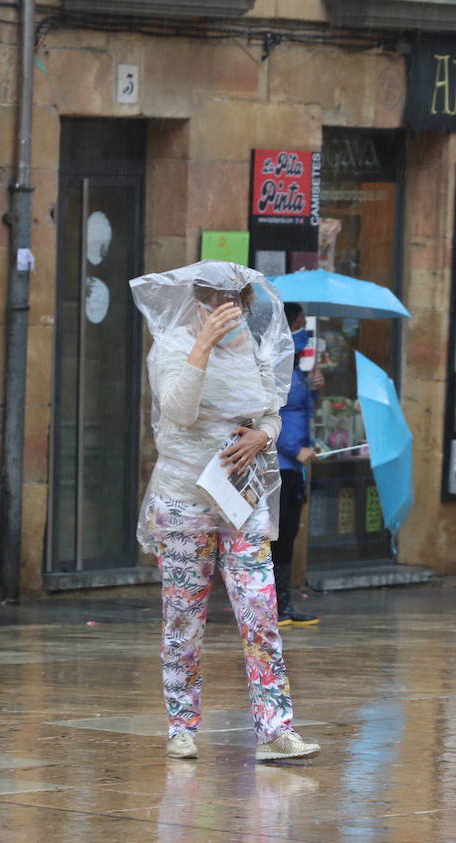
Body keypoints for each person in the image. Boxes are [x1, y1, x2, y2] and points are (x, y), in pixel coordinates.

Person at [132, 260, 321, 762]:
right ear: (200, 305)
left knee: (261, 614)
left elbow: (270, 413)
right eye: (221, 308)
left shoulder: (253, 352)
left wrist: (265, 434)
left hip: (242, 499)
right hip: (185, 501)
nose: (230, 318)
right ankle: (181, 726)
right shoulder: (173, 347)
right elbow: (177, 410)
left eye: (238, 309)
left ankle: (276, 727)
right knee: (184, 616)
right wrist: (202, 347)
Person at [271, 302, 323, 626]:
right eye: (300, 325)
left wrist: (315, 390)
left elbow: (301, 412)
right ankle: (274, 606)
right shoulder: (276, 371)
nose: (304, 334)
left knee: (288, 534)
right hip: (280, 465)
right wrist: (293, 449)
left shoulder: (294, 372)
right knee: (278, 535)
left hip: (295, 468)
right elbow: (267, 419)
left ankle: (283, 604)